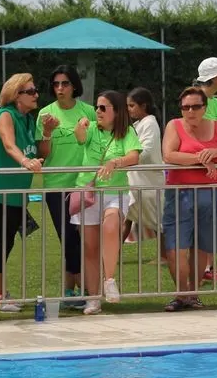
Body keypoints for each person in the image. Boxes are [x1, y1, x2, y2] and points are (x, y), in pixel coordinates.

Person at [162, 87, 217, 311]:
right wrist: (200, 158)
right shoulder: (174, 126)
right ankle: (181, 294)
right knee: (175, 247)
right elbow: (169, 155)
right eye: (185, 107)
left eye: (196, 106)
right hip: (180, 194)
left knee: (202, 247)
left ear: (204, 108)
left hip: (213, 194)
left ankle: (192, 294)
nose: (190, 111)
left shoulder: (216, 127)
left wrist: (216, 154)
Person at [71, 90, 142, 315]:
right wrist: (80, 126)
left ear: (117, 111)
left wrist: (115, 162)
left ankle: (109, 279)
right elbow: (80, 138)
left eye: (103, 108)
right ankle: (93, 298)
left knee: (111, 225)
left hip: (115, 193)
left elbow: (134, 156)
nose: (98, 111)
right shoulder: (92, 128)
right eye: (97, 107)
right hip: (88, 192)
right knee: (90, 248)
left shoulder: (127, 132)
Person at [35, 65, 95, 308]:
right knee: (68, 237)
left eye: (65, 83)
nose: (60, 88)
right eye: (56, 84)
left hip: (82, 183)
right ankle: (83, 290)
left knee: (83, 238)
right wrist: (48, 132)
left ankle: (71, 291)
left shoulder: (88, 111)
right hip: (56, 185)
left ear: (74, 86)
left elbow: (95, 144)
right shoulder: (45, 113)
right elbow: (43, 154)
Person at [0, 73, 43, 313]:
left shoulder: (28, 119)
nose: (36, 95)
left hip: (19, 189)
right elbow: (9, 145)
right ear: (16, 95)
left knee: (8, 239)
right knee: (3, 238)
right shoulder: (5, 115)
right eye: (30, 91)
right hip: (2, 188)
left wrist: (47, 132)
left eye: (35, 90)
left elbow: (37, 151)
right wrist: (25, 162)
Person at [192, 57, 217, 283]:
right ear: (214, 77)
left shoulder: (215, 102)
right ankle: (201, 269)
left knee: (213, 221)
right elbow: (202, 134)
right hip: (201, 169)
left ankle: (207, 267)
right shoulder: (197, 101)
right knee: (202, 221)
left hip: (216, 168)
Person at [125, 87, 165, 246]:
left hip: (148, 183)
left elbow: (146, 151)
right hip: (136, 181)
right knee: (126, 218)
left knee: (158, 223)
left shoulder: (150, 123)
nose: (129, 109)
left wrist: (126, 159)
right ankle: (111, 255)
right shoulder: (139, 124)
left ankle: (166, 255)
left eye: (132, 105)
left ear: (144, 106)